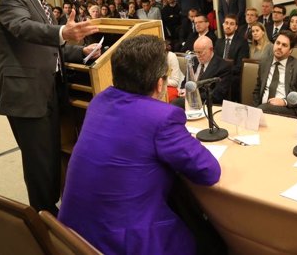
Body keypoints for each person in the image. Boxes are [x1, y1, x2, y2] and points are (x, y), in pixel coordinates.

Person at [59, 35, 221, 255]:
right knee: (209, 240)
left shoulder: (99, 101)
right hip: (125, 243)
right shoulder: (162, 117)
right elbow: (208, 171)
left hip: (70, 238)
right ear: (160, 83)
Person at [0, 0, 100, 214]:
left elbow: (51, 47)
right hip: (27, 93)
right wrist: (63, 30)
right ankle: (43, 217)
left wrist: (81, 50)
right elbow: (24, 29)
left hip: (50, 88)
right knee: (39, 160)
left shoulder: (41, 5)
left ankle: (53, 210)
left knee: (52, 153)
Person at [252, 31, 297, 116]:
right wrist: (254, 109)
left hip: (288, 109)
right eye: (278, 43)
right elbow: (257, 90)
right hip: (262, 108)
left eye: (284, 45)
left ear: (290, 50)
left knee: (263, 109)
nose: (279, 47)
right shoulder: (264, 63)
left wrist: (285, 101)